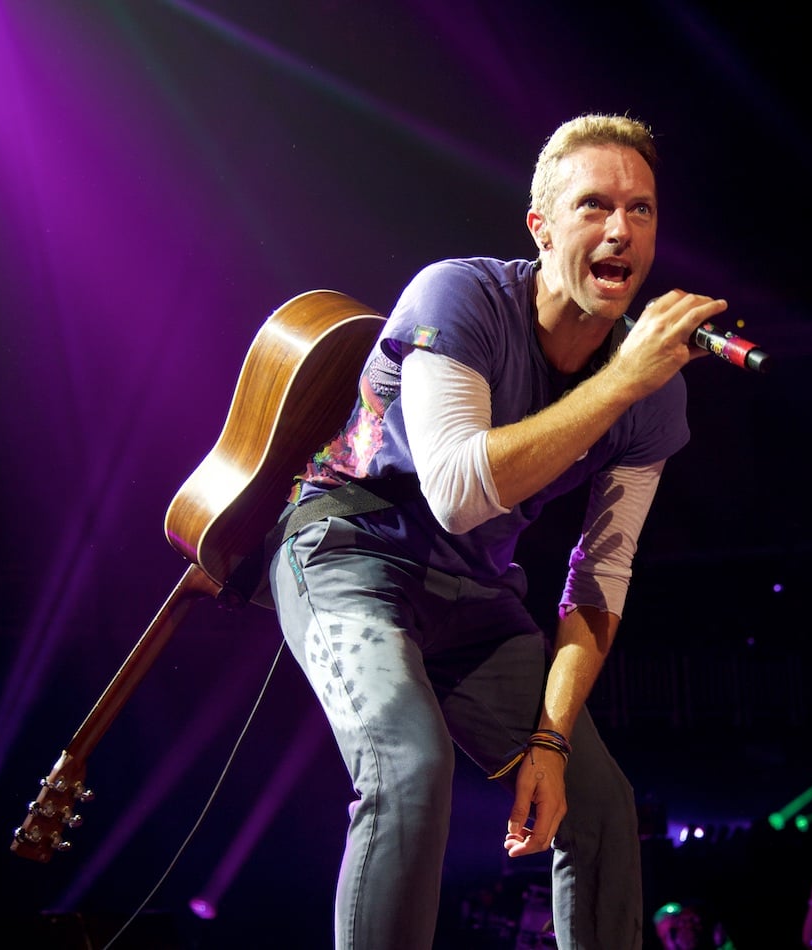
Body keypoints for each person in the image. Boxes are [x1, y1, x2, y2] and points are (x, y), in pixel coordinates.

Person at [268, 113, 729, 949]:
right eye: (594, 206)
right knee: (409, 766)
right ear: (541, 227)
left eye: (641, 209)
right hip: (348, 550)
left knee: (599, 805)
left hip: (473, 591)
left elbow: (601, 575)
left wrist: (550, 740)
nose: (620, 230)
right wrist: (621, 381)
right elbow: (455, 492)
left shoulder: (653, 393)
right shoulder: (460, 296)